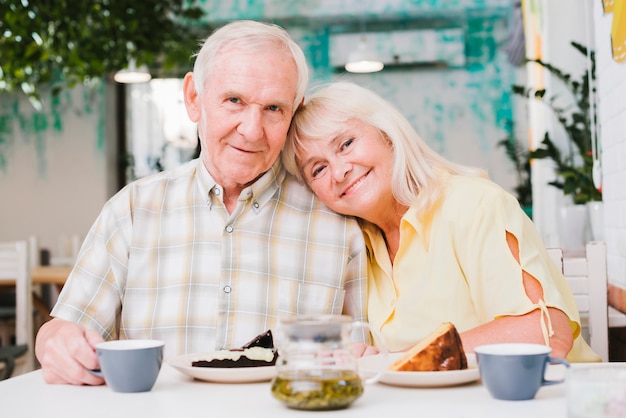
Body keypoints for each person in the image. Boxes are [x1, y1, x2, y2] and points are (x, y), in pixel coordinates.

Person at [35, 22, 369, 386]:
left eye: (273, 108)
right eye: (234, 101)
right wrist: (55, 343)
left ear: (293, 113)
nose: (252, 129)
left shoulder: (339, 225)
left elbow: (362, 358)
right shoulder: (132, 210)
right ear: (194, 98)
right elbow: (66, 330)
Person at [282, 81, 600, 362]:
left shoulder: (473, 205)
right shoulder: (356, 244)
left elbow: (544, 335)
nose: (339, 172)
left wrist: (398, 359)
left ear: (387, 134)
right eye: (318, 169)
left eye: (346, 144)